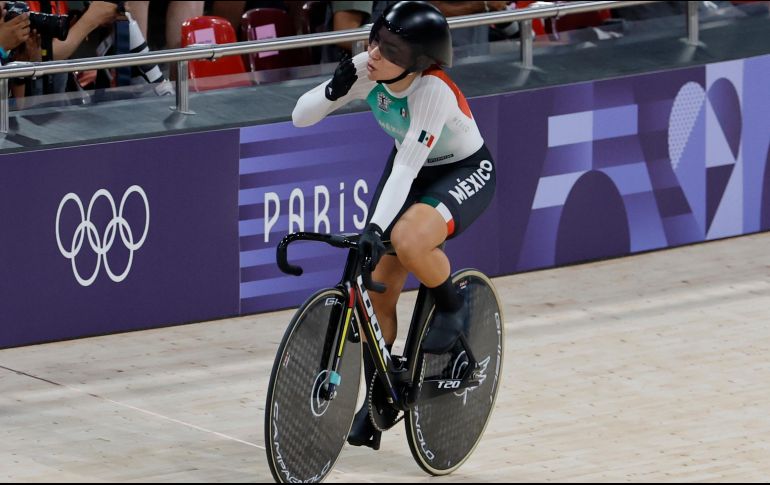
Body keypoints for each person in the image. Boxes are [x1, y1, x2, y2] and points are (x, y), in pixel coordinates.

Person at [292, 1, 496, 450]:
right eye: (376, 39)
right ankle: (380, 395)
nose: (374, 52)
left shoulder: (433, 92)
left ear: (417, 63)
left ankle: (452, 304)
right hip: (412, 163)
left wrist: (375, 229)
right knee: (373, 288)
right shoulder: (369, 66)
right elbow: (300, 116)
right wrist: (331, 91)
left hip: (460, 171)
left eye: (390, 48)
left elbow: (405, 171)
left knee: (405, 240)